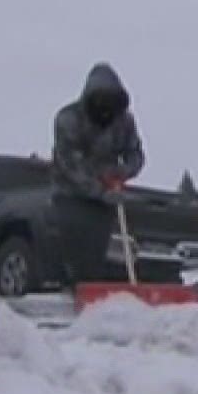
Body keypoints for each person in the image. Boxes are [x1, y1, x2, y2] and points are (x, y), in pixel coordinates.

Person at [51, 62, 145, 284]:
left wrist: (123, 171)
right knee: (75, 248)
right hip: (71, 196)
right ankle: (72, 286)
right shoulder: (68, 119)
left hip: (105, 198)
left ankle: (92, 294)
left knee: (97, 251)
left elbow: (136, 154)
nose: (106, 108)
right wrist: (101, 190)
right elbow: (72, 166)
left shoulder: (124, 121)